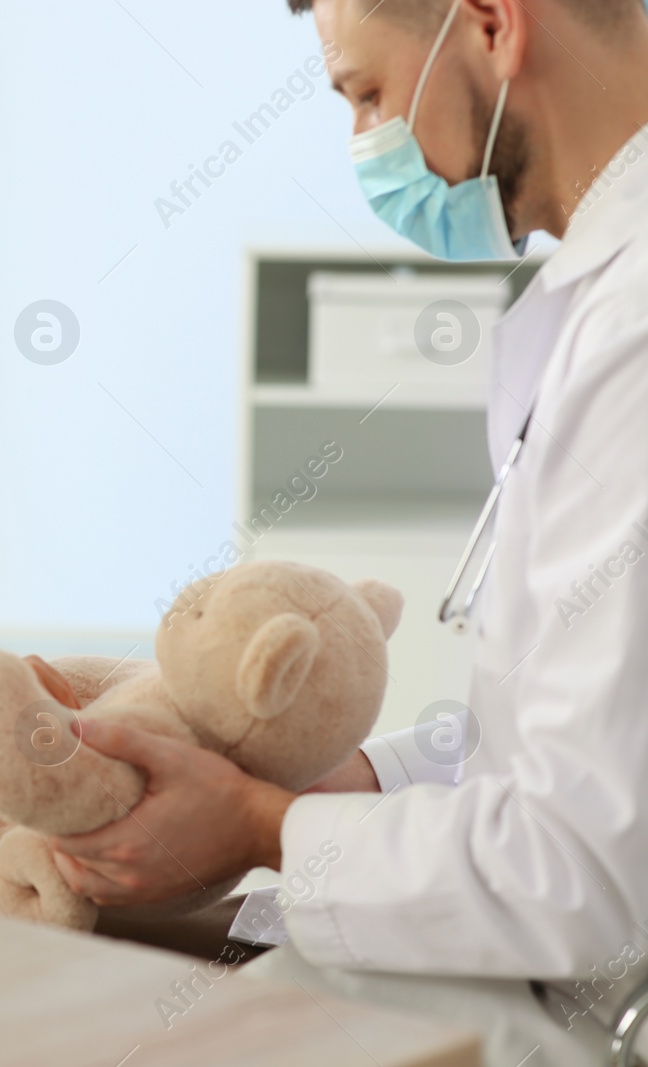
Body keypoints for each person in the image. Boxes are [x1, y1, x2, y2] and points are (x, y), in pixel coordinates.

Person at [50, 0, 648, 1061]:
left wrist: (261, 825)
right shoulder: (586, 302)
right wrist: (326, 786)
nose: (365, 144)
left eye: (365, 92)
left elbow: (580, 869)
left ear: (493, 25)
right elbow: (566, 748)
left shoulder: (632, 343)